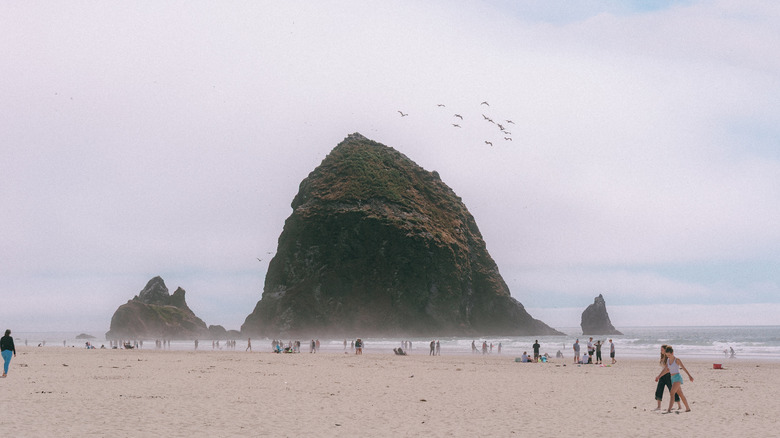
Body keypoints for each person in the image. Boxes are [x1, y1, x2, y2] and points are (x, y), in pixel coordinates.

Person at [655, 346, 692, 413]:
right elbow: (666, 370)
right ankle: (688, 408)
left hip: (677, 378)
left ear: (672, 353)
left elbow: (683, 368)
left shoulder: (677, 360)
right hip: (672, 378)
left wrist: (689, 376)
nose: (668, 356)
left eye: (669, 355)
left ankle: (669, 409)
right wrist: (659, 376)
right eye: (667, 355)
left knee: (672, 393)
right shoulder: (668, 361)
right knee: (680, 394)